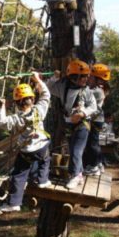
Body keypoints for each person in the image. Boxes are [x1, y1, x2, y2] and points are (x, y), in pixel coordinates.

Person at [0, 72, 51, 213]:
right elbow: (46, 95)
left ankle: (14, 202)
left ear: (16, 103)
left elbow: (1, 122)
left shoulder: (16, 119)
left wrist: (2, 106)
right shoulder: (39, 110)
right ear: (32, 100)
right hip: (42, 147)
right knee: (45, 159)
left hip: (27, 150)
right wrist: (38, 80)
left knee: (19, 174)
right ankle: (43, 180)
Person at [46, 60, 97, 189]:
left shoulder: (86, 91)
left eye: (86, 76)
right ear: (74, 77)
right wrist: (54, 77)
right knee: (72, 149)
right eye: (83, 77)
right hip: (69, 124)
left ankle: (74, 175)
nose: (86, 79)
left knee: (76, 151)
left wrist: (83, 113)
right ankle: (79, 175)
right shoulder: (64, 87)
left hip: (82, 124)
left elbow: (93, 106)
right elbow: (49, 87)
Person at [83, 63, 111, 176]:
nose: (88, 78)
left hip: (95, 120)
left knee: (92, 144)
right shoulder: (99, 88)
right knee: (94, 143)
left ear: (97, 79)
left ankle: (94, 166)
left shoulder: (97, 91)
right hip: (97, 120)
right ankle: (98, 163)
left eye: (90, 76)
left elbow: (84, 93)